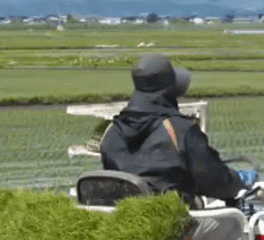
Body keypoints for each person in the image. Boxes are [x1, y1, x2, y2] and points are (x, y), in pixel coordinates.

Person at [100, 53, 256, 204]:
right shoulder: (180, 131)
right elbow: (215, 182)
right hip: (177, 222)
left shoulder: (111, 133)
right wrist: (239, 180)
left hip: (127, 219)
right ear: (170, 91)